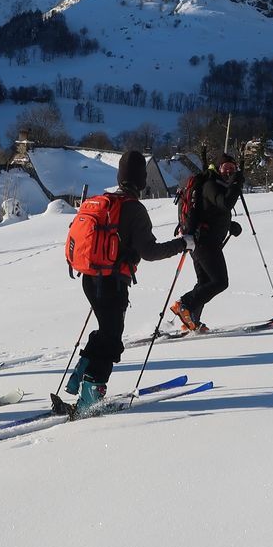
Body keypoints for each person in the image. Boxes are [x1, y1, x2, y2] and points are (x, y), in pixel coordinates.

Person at [69, 150, 188, 414]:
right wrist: (183, 243)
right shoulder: (134, 209)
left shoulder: (104, 201)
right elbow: (150, 252)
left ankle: (80, 375)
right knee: (111, 338)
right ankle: (90, 397)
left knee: (105, 330)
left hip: (90, 278)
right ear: (142, 179)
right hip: (111, 283)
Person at [170, 152, 244, 333]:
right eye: (226, 168)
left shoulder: (215, 184)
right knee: (220, 281)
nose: (229, 172)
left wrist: (230, 225)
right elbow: (225, 203)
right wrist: (237, 182)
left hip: (201, 241)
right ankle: (184, 304)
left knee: (205, 282)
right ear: (218, 168)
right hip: (205, 243)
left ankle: (191, 321)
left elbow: (212, 212)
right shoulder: (211, 184)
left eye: (233, 169)